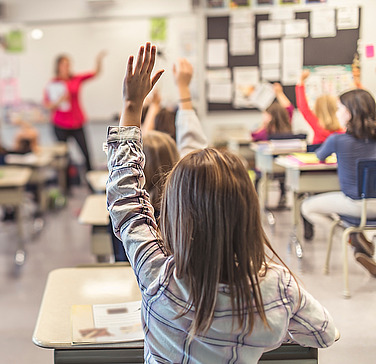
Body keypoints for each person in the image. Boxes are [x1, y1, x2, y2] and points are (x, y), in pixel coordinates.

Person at [107, 42, 337, 362]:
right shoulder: (276, 285)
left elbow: (127, 201)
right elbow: (323, 333)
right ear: (246, 211)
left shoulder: (157, 273)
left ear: (175, 210)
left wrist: (131, 107)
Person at [110, 58, 207, 262]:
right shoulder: (189, 211)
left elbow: (125, 193)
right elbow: (193, 149)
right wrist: (183, 89)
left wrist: (131, 105)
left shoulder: (152, 267)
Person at [301, 88, 376, 276]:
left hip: (356, 204)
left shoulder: (338, 140)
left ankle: (353, 241)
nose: (337, 113)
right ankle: (358, 240)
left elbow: (319, 156)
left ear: (349, 113)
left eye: (339, 108)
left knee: (307, 207)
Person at [43, 51, 106, 173]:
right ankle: (66, 187)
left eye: (68, 64)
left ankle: (90, 181)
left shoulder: (76, 79)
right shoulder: (52, 84)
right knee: (64, 158)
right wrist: (59, 101)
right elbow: (47, 106)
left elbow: (95, 73)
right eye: (63, 64)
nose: (67, 67)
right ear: (58, 67)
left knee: (86, 154)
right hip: (60, 124)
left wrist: (99, 60)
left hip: (77, 122)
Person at [296, 70, 344, 145]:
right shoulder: (343, 131)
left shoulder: (317, 125)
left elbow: (303, 107)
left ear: (317, 109)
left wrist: (301, 81)